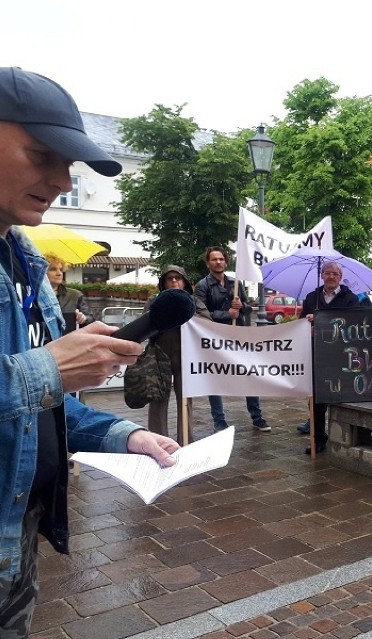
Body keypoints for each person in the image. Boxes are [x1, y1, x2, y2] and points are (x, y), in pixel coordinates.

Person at [0, 66, 179, 637]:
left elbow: (39, 403)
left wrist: (124, 436)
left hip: (19, 527)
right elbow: (35, 377)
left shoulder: (26, 263)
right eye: (40, 154)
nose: (59, 180)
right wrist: (47, 367)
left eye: (68, 164)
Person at [194, 246, 270, 433]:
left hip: (239, 337)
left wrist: (242, 305)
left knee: (249, 376)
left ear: (226, 262)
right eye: (214, 259)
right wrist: (226, 313)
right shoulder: (202, 286)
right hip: (216, 339)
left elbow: (248, 310)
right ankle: (219, 420)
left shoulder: (235, 283)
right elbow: (201, 314)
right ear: (208, 263)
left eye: (221, 259)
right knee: (215, 378)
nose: (218, 262)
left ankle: (257, 416)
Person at [297, 261, 361, 452]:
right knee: (316, 398)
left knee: (342, 396)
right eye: (327, 273)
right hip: (317, 355)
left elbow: (354, 325)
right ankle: (317, 438)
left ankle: (345, 436)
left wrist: (323, 321)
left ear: (340, 277)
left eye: (335, 274)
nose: (331, 276)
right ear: (322, 275)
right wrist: (307, 324)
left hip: (342, 356)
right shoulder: (312, 297)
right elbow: (301, 323)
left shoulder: (350, 299)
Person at [147, 265, 196, 446]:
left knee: (185, 401)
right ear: (164, 282)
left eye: (178, 277)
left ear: (184, 281)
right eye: (170, 278)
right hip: (160, 357)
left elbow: (207, 324)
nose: (174, 281)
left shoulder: (194, 302)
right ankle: (158, 443)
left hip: (186, 359)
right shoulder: (155, 301)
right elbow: (145, 324)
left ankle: (186, 441)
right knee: (158, 401)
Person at [44, 252, 94, 332]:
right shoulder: (33, 296)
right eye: (53, 269)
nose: (59, 273)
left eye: (61, 269)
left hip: (68, 341)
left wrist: (84, 318)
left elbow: (91, 319)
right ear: (42, 272)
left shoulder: (75, 296)